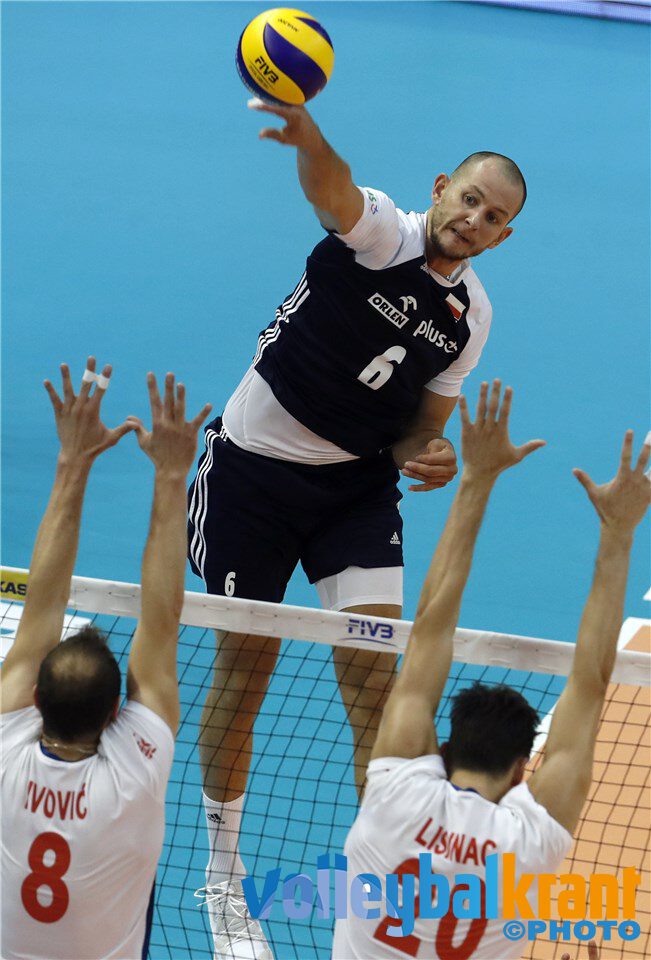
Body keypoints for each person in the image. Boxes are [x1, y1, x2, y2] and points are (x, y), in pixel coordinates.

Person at [187, 98, 526, 958]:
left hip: (353, 494)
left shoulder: (471, 318)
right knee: (245, 672)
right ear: (440, 188)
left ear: (501, 236)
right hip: (252, 478)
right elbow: (331, 189)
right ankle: (222, 880)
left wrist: (432, 456)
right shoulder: (382, 233)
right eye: (469, 199)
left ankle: (386, 875)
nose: (474, 219)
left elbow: (421, 429)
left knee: (376, 687)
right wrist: (308, 138)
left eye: (493, 217)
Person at [332, 379, 650, 959]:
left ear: (443, 750)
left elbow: (429, 628)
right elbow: (592, 680)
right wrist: (618, 533)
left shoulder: (395, 796)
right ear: (523, 771)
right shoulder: (529, 840)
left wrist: (475, 480)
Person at [0, 358, 211, 959]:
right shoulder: (135, 774)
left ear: (34, 700)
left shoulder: (5, 750)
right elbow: (162, 619)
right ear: (118, 711)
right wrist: (172, 475)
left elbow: (40, 603)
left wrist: (72, 461)